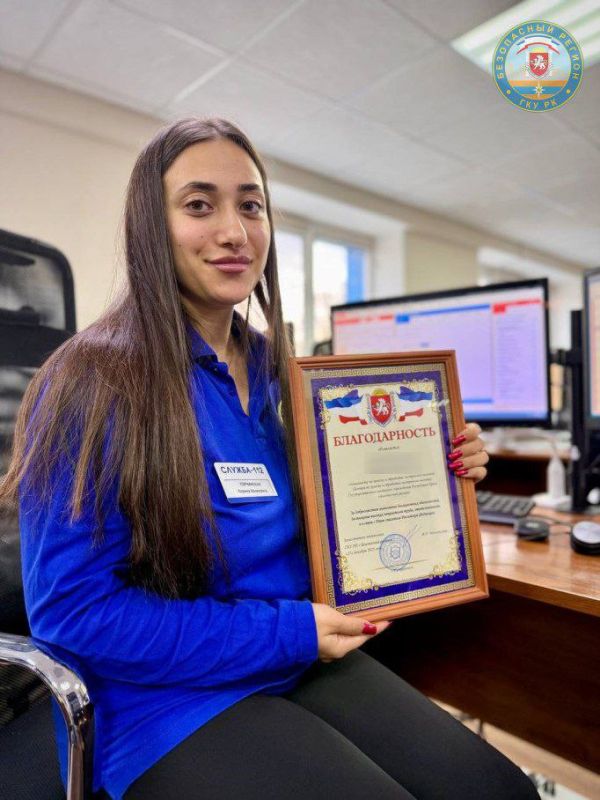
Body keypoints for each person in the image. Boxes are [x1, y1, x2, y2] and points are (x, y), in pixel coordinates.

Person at [1, 118, 538, 800]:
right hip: (161, 698)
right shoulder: (90, 381)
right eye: (200, 205)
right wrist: (290, 631)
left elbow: (334, 513)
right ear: (151, 227)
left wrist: (436, 471)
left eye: (251, 206)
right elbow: (75, 613)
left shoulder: (283, 372)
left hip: (293, 656)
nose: (235, 231)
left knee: (498, 790)